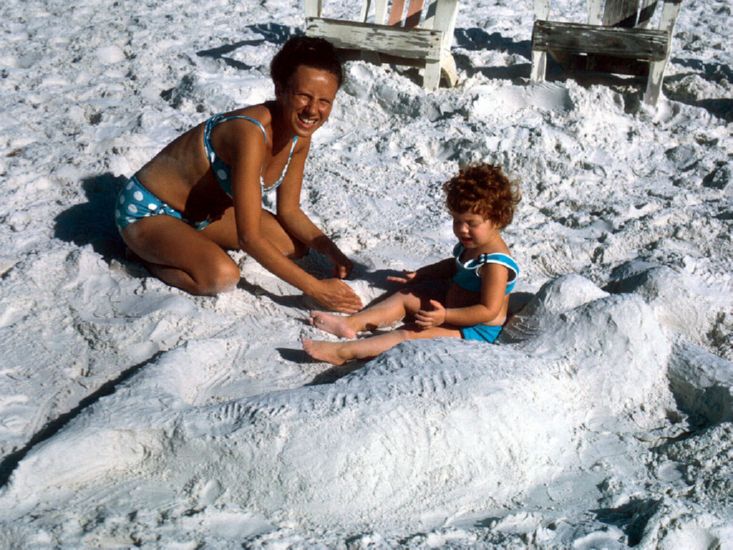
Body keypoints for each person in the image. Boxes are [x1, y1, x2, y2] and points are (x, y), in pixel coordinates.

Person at [115, 36, 362, 313]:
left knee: (294, 246)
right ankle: (144, 255)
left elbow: (290, 211)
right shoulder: (250, 133)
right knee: (221, 276)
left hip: (204, 216)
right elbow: (249, 238)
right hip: (149, 211)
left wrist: (331, 251)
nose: (313, 110)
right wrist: (315, 288)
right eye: (304, 96)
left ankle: (187, 244)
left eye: (324, 101)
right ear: (280, 89)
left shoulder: (299, 137)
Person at [302, 163, 521, 365]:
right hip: (449, 307)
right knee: (405, 297)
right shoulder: (473, 243)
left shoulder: (495, 264)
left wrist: (445, 316)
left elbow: (487, 311)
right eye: (457, 221)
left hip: (473, 330)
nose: (462, 229)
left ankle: (344, 353)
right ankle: (350, 324)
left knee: (408, 334)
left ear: (498, 219)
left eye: (471, 223)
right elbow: (452, 266)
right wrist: (421, 275)